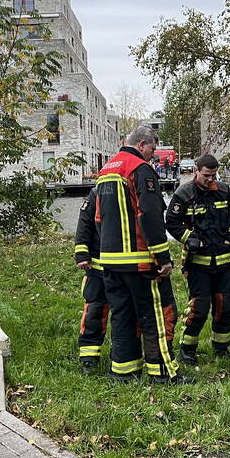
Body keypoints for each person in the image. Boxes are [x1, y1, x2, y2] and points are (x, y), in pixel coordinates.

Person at [95, 126, 188, 385]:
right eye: (153, 149)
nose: (153, 155)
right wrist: (163, 258)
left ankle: (123, 372)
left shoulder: (106, 171)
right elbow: (149, 216)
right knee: (157, 316)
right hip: (140, 262)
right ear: (142, 144)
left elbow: (98, 218)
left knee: (122, 316)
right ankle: (164, 373)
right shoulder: (139, 169)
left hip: (110, 262)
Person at [165, 154, 230, 365]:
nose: (210, 179)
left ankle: (221, 347)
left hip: (224, 262)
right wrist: (190, 238)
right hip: (198, 264)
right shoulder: (184, 193)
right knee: (200, 308)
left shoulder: (224, 191)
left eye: (214, 175)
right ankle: (187, 350)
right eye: (207, 175)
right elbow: (171, 222)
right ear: (196, 171)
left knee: (225, 306)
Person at [74, 185, 109, 374]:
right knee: (94, 310)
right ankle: (88, 356)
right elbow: (84, 224)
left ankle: (123, 355)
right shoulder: (96, 194)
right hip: (97, 265)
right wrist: (82, 254)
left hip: (124, 267)